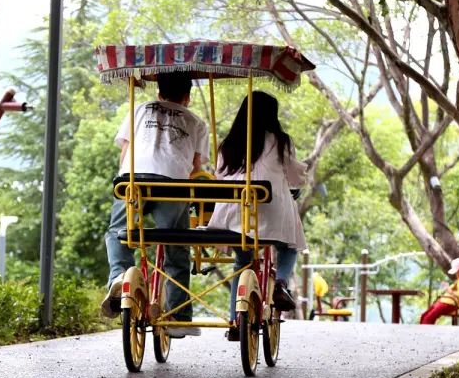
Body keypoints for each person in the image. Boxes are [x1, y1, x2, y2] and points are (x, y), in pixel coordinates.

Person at [102, 73, 208, 337]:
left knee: (118, 232)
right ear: (188, 97)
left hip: (133, 179)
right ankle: (178, 315)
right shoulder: (196, 122)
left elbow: (124, 152)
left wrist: (125, 182)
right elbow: (196, 168)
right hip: (173, 185)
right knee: (176, 246)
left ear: (159, 93)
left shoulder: (138, 110)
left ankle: (119, 274)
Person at [204, 91, 306, 339]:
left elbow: (220, 175)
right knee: (290, 244)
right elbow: (295, 176)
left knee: (242, 263)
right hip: (269, 215)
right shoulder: (281, 142)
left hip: (233, 218)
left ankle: (234, 322)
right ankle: (281, 282)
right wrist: (298, 184)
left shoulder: (228, 144)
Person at [420, 257, 459, 324]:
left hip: (451, 304)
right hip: (447, 302)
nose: (456, 273)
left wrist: (450, 291)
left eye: (456, 271)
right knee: (425, 315)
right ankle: (423, 331)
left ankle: (425, 332)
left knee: (428, 317)